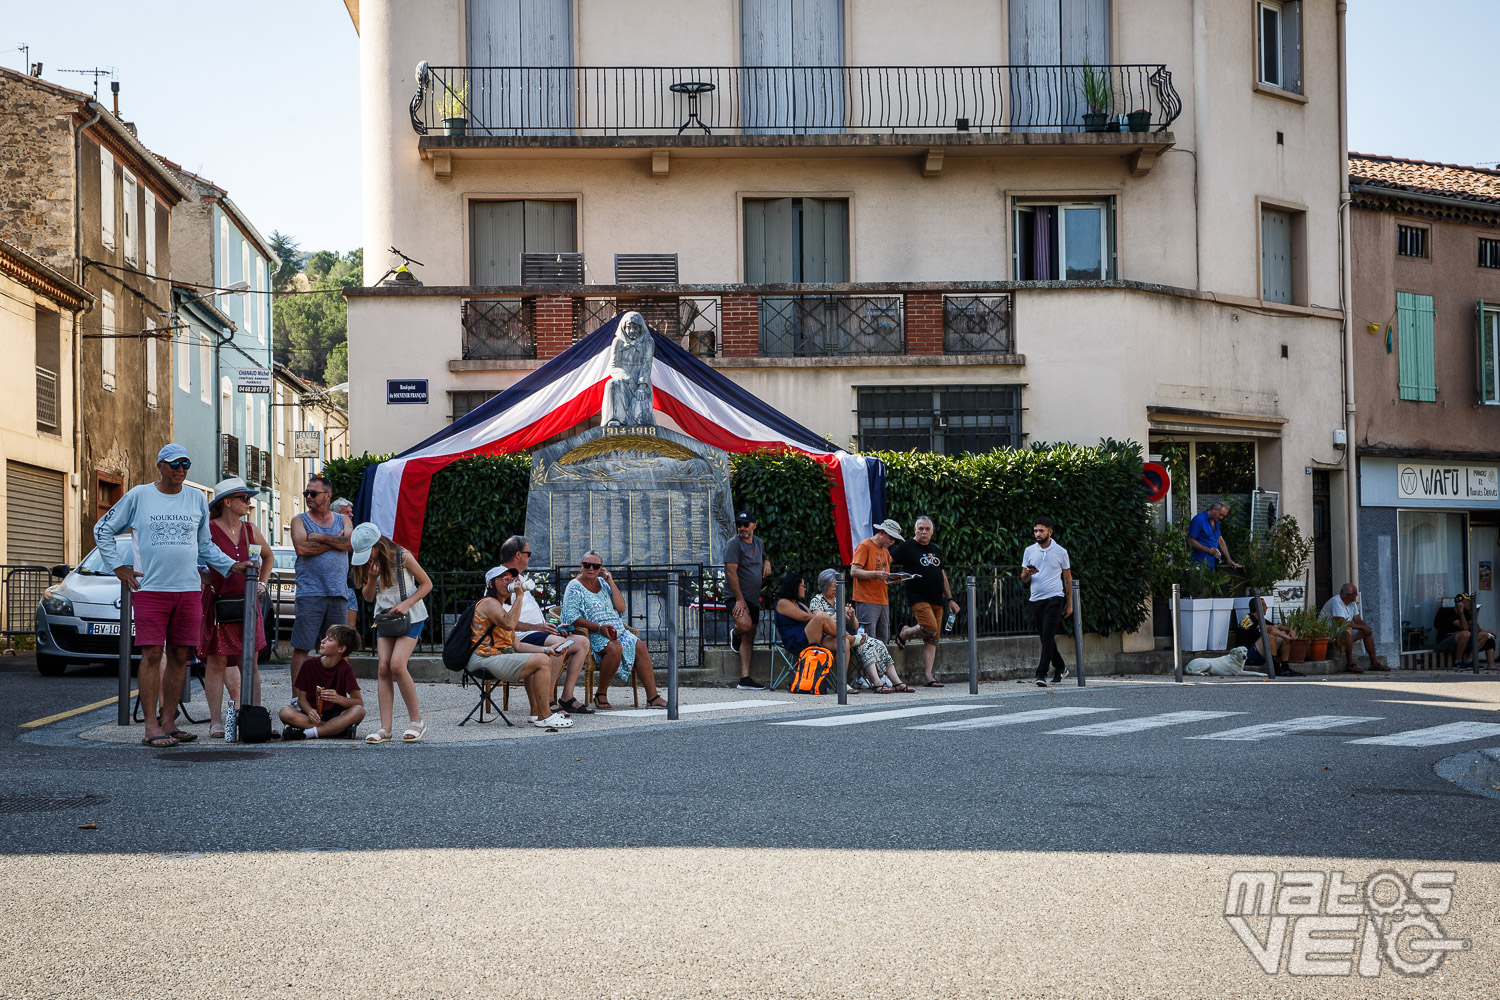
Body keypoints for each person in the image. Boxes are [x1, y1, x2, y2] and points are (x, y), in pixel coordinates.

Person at [93, 443, 250, 747]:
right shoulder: (139, 495)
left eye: (185, 465)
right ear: (160, 466)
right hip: (151, 589)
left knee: (180, 656)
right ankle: (151, 726)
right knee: (152, 655)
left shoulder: (195, 498)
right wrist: (118, 567)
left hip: (189, 589)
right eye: (174, 464)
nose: (180, 470)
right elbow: (103, 529)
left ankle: (169, 723)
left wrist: (233, 566)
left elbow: (204, 546)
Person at [201, 477, 274, 738]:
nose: (249, 502)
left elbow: (267, 556)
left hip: (247, 603)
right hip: (219, 603)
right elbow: (194, 558)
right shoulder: (208, 529)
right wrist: (203, 578)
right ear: (226, 502)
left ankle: (251, 715)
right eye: (243, 498)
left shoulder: (250, 529)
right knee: (217, 661)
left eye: (248, 497)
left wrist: (262, 584)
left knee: (251, 662)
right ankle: (216, 721)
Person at [352, 524, 433, 742]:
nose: (366, 557)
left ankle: (417, 721)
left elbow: (427, 584)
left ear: (377, 546)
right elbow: (368, 597)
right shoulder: (367, 564)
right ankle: (385, 728)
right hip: (385, 619)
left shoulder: (402, 556)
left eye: (367, 552)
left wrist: (406, 604)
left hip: (411, 616)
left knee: (397, 664)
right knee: (383, 668)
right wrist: (370, 577)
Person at [560, 551, 668, 710]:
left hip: (616, 630)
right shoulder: (574, 586)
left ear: (600, 569)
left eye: (595, 566)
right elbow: (570, 617)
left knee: (640, 646)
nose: (591, 568)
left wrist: (610, 581)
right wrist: (599, 627)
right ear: (581, 566)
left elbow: (621, 607)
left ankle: (653, 697)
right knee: (615, 648)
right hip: (593, 632)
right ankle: (601, 693)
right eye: (587, 565)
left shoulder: (603, 583)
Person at [469, 566, 573, 730]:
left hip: (496, 657)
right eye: (505, 579)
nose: (510, 581)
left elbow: (517, 645)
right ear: (491, 584)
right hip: (483, 658)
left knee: (540, 658)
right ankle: (544, 716)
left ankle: (537, 712)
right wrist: (519, 595)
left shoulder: (501, 608)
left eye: (512, 578)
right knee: (541, 662)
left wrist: (548, 650)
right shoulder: (489, 603)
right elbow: (510, 623)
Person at [497, 535, 590, 715]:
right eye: (528, 553)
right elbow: (503, 620)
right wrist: (536, 628)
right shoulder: (503, 580)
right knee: (559, 645)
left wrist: (550, 625)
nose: (530, 557)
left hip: (536, 631)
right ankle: (547, 701)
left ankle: (567, 697)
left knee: (582, 643)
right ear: (518, 555)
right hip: (521, 636)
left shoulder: (519, 577)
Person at [289, 476, 353, 689]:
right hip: (310, 594)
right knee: (302, 647)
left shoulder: (342, 520)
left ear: (328, 495)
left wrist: (321, 538)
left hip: (338, 594)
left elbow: (351, 543)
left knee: (339, 648)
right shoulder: (299, 520)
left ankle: (334, 697)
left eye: (313, 493)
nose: (308, 497)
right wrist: (337, 541)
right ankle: (298, 699)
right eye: (306, 493)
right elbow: (303, 549)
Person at [891, 516, 962, 687]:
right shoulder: (907, 547)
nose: (923, 531)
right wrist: (891, 577)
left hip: (937, 599)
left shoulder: (935, 549)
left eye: (927, 529)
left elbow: (942, 574)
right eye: (920, 528)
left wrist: (950, 599)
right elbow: (887, 560)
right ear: (915, 530)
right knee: (930, 627)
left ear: (932, 531)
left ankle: (928, 676)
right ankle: (905, 632)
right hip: (918, 596)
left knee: (933, 638)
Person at [810, 569, 905, 691]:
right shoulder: (817, 600)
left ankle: (890, 682)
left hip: (844, 635)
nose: (835, 589)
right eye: (832, 586)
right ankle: (842, 683)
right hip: (826, 637)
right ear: (823, 586)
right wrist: (840, 614)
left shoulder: (837, 601)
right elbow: (820, 620)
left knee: (876, 644)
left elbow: (855, 626)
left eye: (836, 586)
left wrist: (852, 615)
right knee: (847, 642)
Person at [279, 625, 366, 739]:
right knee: (285, 712)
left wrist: (338, 699)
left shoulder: (345, 669)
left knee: (359, 711)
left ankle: (308, 733)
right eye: (325, 637)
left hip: (335, 715)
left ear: (341, 649)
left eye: (329, 640)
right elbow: (301, 699)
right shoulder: (308, 664)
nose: (323, 641)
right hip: (311, 716)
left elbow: (358, 702)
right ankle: (335, 729)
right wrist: (310, 711)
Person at [1021, 516, 1073, 687]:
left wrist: (1070, 603)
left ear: (1050, 532)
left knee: (1048, 635)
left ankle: (1041, 673)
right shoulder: (1029, 551)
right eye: (1035, 530)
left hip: (1055, 598)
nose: (1038, 533)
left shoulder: (1061, 552)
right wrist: (1028, 573)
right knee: (1045, 638)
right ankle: (1061, 667)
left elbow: (1067, 578)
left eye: (1041, 530)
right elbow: (1023, 578)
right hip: (1036, 599)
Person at [724, 510, 771, 691]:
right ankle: (734, 634)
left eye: (745, 524)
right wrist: (739, 600)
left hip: (752, 597)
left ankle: (745, 678)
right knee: (744, 626)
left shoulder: (758, 542)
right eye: (739, 525)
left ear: (753, 526)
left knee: (750, 636)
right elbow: (731, 572)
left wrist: (766, 562)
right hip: (737, 597)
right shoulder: (733, 545)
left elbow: (764, 555)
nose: (742, 528)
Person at [851, 518, 904, 647]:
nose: (892, 542)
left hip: (882, 600)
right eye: (891, 538)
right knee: (867, 641)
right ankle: (869, 668)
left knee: (882, 640)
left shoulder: (885, 551)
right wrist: (875, 573)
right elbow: (854, 571)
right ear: (882, 532)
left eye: (894, 539)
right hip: (867, 599)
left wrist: (893, 580)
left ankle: (880, 667)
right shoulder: (865, 546)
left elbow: (883, 577)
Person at [1320, 583, 1387, 672]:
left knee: (1366, 632)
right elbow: (1341, 623)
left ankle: (1374, 663)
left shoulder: (1352, 603)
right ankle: (1350, 663)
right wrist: (1362, 627)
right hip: (1329, 633)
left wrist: (1365, 628)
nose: (1356, 595)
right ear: (1348, 595)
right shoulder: (1337, 601)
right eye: (1355, 593)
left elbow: (1357, 619)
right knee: (1348, 630)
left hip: (1340, 632)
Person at [1231, 597, 1299, 676]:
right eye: (1265, 606)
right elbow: (1269, 629)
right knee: (1269, 635)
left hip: (1258, 654)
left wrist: (1291, 630)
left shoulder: (1261, 619)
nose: (1266, 608)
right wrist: (1288, 638)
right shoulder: (1248, 619)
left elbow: (1278, 627)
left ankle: (1285, 666)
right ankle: (1275, 667)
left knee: (1283, 632)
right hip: (1247, 656)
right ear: (1258, 607)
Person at [1434, 594, 1496, 669]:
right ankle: (1458, 662)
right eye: (1467, 601)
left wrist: (1474, 614)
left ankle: (1470, 660)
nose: (1470, 603)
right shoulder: (1447, 611)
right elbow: (1464, 628)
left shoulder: (1466, 613)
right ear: (1460, 603)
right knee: (1465, 633)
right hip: (1444, 643)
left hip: (1461, 643)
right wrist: (1461, 612)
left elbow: (1476, 630)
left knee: (1485, 635)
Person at [330, 497, 359, 627]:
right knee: (331, 629)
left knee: (348, 630)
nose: (351, 515)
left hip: (348, 587)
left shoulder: (354, 533)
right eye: (346, 512)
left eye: (351, 512)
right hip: (329, 588)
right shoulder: (328, 531)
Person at [1187, 502, 1241, 571]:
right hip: (1199, 562)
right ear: (1214, 509)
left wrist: (1228, 559)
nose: (1221, 518)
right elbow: (1190, 540)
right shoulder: (1199, 519)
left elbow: (1220, 540)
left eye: (1223, 516)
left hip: (1211, 562)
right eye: (1221, 514)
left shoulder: (1216, 521)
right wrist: (1207, 550)